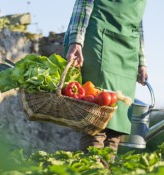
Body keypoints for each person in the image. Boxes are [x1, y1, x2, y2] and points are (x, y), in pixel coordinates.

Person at [63, 0, 148, 155]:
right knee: (96, 121)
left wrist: (141, 60)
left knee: (117, 127)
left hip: (128, 49)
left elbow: (138, 20)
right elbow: (83, 3)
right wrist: (76, 40)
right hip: (99, 39)